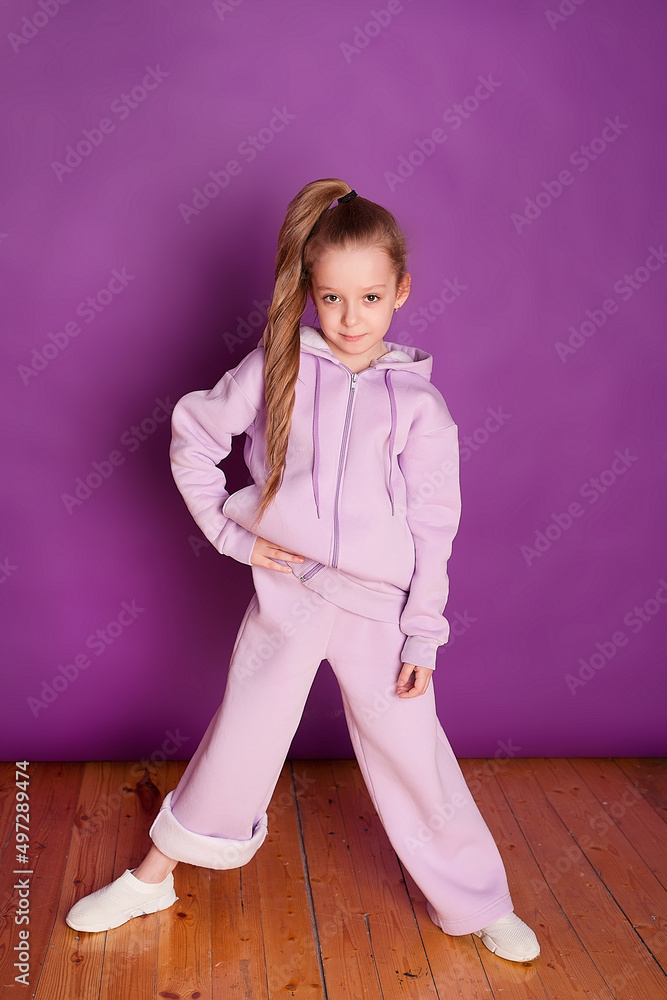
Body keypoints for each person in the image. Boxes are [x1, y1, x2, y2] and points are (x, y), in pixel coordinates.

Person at [66, 179, 540, 963]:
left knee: (413, 758)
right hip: (288, 592)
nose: (350, 319)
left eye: (370, 297)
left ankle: (478, 899)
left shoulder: (422, 408)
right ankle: (153, 876)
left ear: (402, 292)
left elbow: (434, 527)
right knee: (242, 738)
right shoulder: (274, 366)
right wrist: (231, 535)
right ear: (309, 294)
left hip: (378, 611)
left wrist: (421, 636)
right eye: (331, 298)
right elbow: (191, 437)